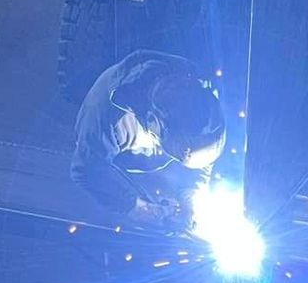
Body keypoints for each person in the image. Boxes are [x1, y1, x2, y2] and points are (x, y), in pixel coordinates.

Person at [71, 50, 227, 229]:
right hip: (117, 170)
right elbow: (86, 170)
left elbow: (200, 148)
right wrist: (136, 208)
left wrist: (191, 194)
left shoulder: (197, 87)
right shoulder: (107, 119)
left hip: (157, 159)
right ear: (154, 125)